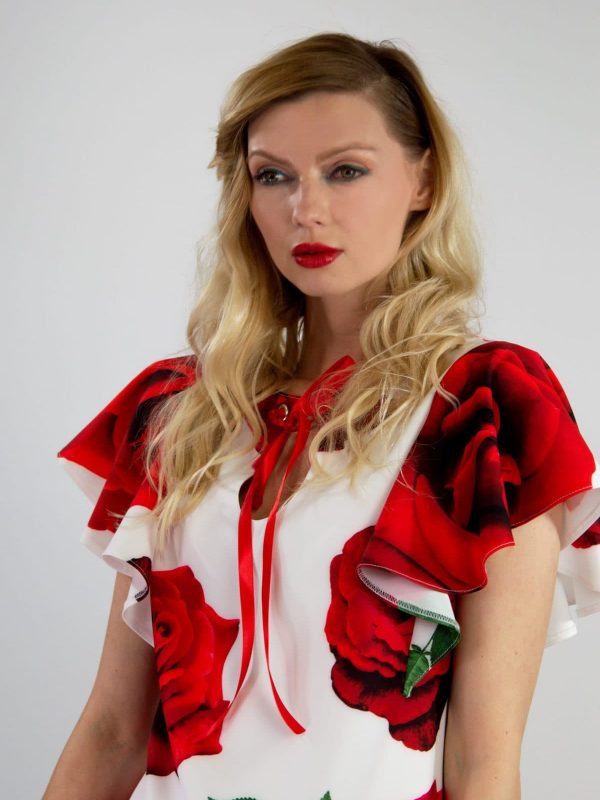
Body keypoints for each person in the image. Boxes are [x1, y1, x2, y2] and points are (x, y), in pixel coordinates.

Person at [44, 32, 600, 800]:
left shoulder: (485, 408)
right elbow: (112, 732)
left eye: (345, 170)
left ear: (424, 180)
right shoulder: (181, 412)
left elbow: (484, 761)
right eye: (273, 176)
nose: (306, 210)